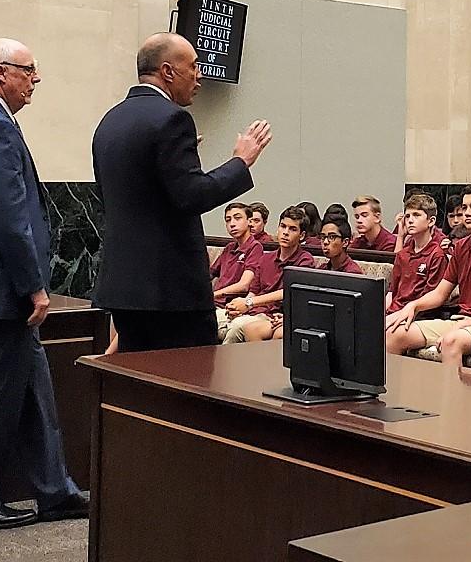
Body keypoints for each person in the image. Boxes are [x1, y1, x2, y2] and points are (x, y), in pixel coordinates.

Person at [0, 38, 88, 531]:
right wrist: (35, 287)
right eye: (29, 70)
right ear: (1, 74)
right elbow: (12, 220)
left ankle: (56, 493)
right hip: (4, 289)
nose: (37, 78)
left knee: (35, 392)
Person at [92, 32, 270, 352]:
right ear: (168, 72)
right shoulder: (173, 118)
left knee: (136, 388)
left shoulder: (110, 121)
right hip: (170, 293)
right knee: (184, 389)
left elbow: (122, 195)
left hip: (123, 286)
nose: (199, 75)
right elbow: (192, 196)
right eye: (193, 66)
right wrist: (240, 162)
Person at [384, 183, 471, 364]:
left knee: (451, 341)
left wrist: (467, 324)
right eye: (464, 207)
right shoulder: (461, 247)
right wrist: (413, 306)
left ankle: (451, 393)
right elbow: (440, 294)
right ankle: (398, 391)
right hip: (460, 321)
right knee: (394, 334)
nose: (467, 213)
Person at [225, 206, 316, 343]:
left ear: (301, 235)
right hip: (255, 311)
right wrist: (241, 306)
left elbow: (288, 291)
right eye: (283, 226)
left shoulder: (305, 260)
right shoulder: (266, 258)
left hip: (274, 315)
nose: (285, 233)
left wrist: (249, 303)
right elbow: (253, 292)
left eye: (292, 229)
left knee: (236, 329)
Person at [384, 193, 447, 316]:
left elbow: (430, 298)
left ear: (431, 221)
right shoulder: (402, 254)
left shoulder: (437, 255)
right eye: (407, 216)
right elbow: (392, 292)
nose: (410, 220)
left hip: (418, 315)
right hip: (395, 310)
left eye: (416, 215)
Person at [209, 202, 265, 338]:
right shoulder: (229, 248)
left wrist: (212, 295)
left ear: (249, 221)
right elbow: (209, 274)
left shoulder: (255, 247)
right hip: (213, 305)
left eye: (237, 218)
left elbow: (244, 285)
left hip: (229, 306)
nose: (232, 224)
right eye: (228, 220)